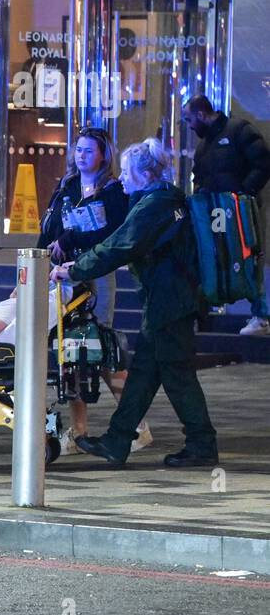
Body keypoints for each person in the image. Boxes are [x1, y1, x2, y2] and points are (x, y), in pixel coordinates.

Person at [51, 139, 219, 468]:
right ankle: (118, 440)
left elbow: (121, 246)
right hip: (166, 301)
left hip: (171, 303)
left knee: (178, 374)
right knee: (143, 373)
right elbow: (122, 242)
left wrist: (78, 267)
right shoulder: (157, 200)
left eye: (127, 172)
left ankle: (202, 444)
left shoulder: (156, 205)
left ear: (144, 173)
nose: (122, 178)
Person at [37, 126, 147, 452]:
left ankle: (136, 425)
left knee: (101, 350)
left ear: (103, 155)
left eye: (88, 150)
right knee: (70, 352)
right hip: (63, 274)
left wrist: (70, 240)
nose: (81, 155)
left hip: (96, 275)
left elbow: (110, 235)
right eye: (78, 149)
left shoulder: (114, 190)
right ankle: (79, 429)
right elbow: (50, 229)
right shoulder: (67, 186)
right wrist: (39, 263)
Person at [182, 94, 270, 335]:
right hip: (215, 211)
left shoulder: (238, 130)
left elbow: (263, 162)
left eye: (190, 119)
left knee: (249, 256)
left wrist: (244, 193)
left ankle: (260, 316)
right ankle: (202, 315)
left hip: (242, 210)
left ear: (201, 114)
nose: (189, 125)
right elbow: (198, 176)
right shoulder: (203, 146)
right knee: (211, 256)